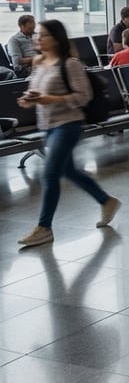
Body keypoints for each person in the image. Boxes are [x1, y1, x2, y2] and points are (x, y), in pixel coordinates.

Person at [16, 19, 121, 247]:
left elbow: (82, 97)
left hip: (68, 125)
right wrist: (29, 98)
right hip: (47, 125)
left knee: (50, 174)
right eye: (37, 35)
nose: (38, 38)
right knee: (69, 171)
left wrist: (49, 99)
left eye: (43, 35)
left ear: (55, 38)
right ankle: (106, 201)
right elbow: (37, 90)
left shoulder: (70, 64)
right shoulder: (39, 62)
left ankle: (44, 228)